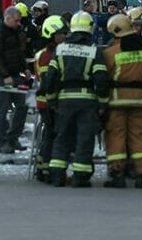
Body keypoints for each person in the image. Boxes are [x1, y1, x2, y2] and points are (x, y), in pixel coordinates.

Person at [41, 11, 108, 187]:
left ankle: (57, 175)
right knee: (84, 138)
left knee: (62, 137)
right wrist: (102, 102)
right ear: (90, 28)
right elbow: (100, 78)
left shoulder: (60, 49)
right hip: (87, 101)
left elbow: (50, 78)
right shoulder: (94, 51)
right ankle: (80, 176)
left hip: (64, 101)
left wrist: (52, 101)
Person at [101, 14, 142, 189]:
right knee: (137, 135)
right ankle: (140, 173)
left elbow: (104, 76)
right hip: (139, 101)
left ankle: (117, 174)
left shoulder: (110, 53)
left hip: (117, 101)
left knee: (116, 135)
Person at [0, 6, 30, 154]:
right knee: (2, 108)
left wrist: (25, 67)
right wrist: (5, 75)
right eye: (17, 20)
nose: (19, 23)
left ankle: (13, 137)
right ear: (8, 18)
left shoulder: (16, 31)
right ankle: (3, 141)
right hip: (1, 76)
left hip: (15, 73)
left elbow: (19, 52)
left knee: (22, 105)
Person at [32, 15, 68, 183]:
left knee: (50, 133)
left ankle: (43, 168)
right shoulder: (47, 55)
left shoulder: (51, 52)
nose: (65, 36)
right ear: (52, 34)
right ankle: (45, 170)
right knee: (52, 134)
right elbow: (49, 81)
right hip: (48, 101)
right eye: (62, 33)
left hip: (49, 100)